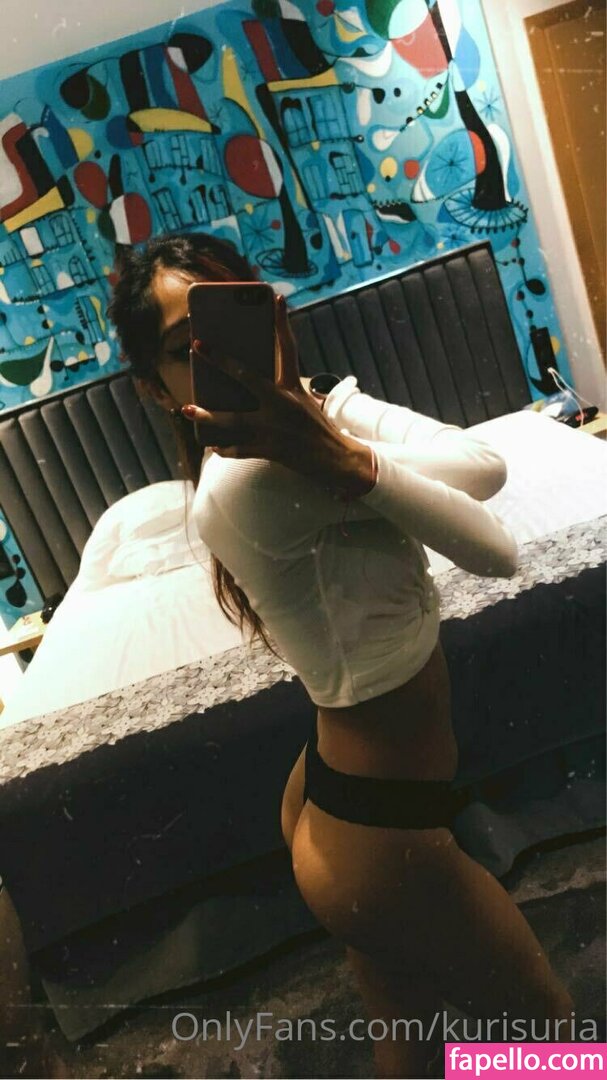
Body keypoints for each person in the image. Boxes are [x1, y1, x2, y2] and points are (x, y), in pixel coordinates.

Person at [109, 233, 574, 1078]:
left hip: (341, 804)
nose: (221, 356)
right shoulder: (261, 479)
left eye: (237, 316)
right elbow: (495, 549)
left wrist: (329, 418)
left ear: (273, 313)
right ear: (155, 386)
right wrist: (334, 448)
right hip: (378, 840)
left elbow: (482, 464)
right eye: (185, 350)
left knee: (413, 1039)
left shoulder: (311, 430)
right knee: (550, 1038)